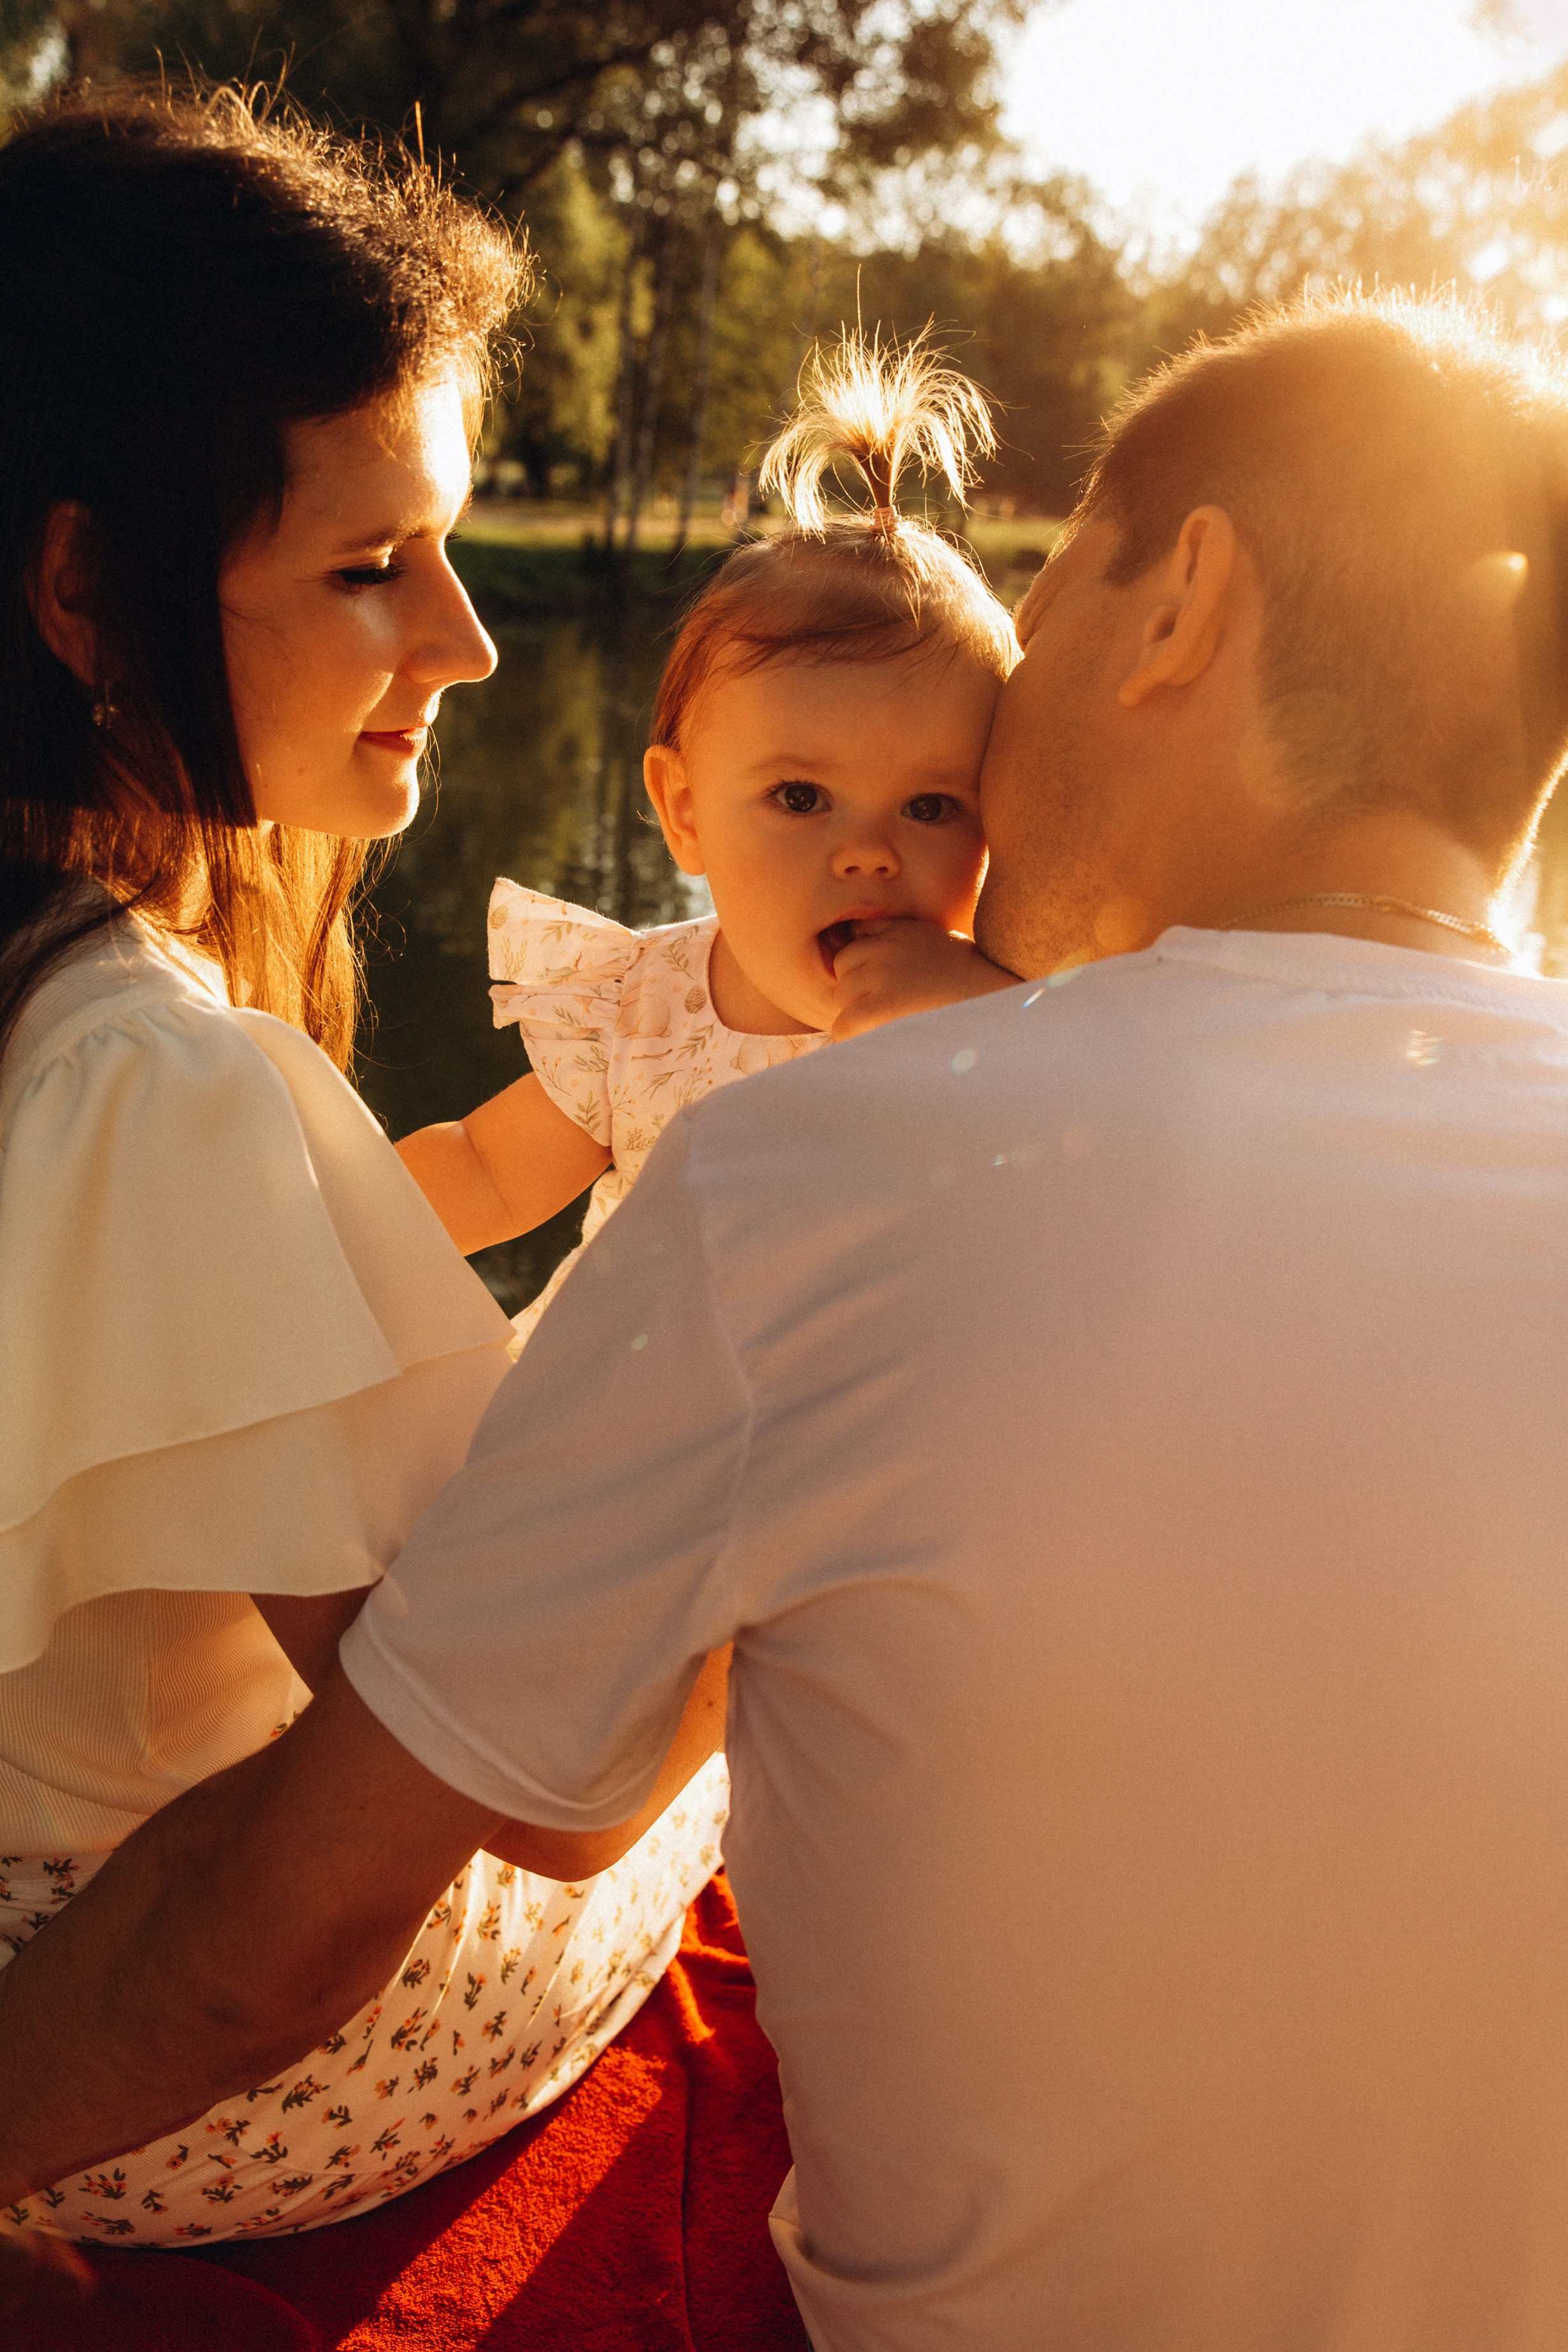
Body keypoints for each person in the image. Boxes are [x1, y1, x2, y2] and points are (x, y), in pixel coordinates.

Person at [9, 287, 1568, 2352]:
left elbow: (267, 1934)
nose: (971, 770)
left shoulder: (841, 1167)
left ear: (1179, 604)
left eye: (1042, 612)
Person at [0, 85, 727, 2256]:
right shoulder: (154, 1082)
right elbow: (543, 1774)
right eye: (366, 564)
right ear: (82, 587)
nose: (469, 641)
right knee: (719, 1726)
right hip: (150, 2068)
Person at [396, 332, 1018, 1319]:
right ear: (684, 812)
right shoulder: (638, 1009)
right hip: (629, 1399)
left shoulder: (998, 1025)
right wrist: (303, 1224)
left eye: (931, 807)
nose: (869, 852)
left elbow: (1078, 1198)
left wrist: (989, 1023)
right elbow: (484, 1172)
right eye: (800, 798)